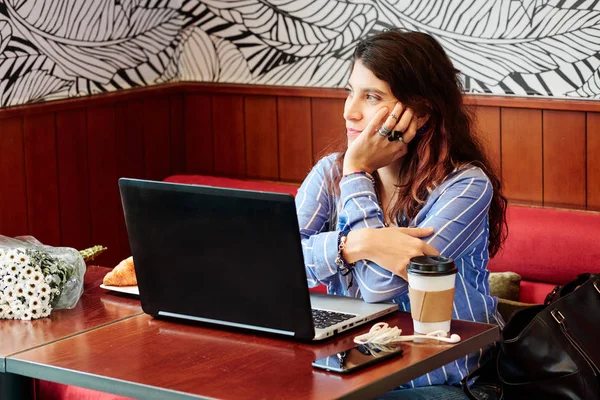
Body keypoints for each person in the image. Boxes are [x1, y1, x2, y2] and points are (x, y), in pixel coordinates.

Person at [295, 29, 507, 398]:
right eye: (351, 90)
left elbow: (379, 287)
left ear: (420, 111)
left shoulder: (466, 187)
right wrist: (352, 244)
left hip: (442, 381)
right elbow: (282, 259)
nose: (350, 110)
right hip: (354, 368)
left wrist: (358, 174)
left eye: (372, 96)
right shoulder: (331, 172)